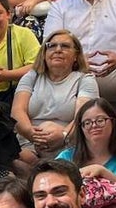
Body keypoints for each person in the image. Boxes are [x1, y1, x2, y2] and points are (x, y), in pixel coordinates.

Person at [11, 29, 98, 160]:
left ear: (76, 55)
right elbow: (17, 111)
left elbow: (83, 116)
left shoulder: (85, 80)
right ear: (44, 53)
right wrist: (31, 134)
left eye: (65, 46)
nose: (58, 50)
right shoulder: (32, 76)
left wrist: (63, 136)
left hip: (69, 143)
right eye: (51, 46)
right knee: (19, 160)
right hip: (29, 142)